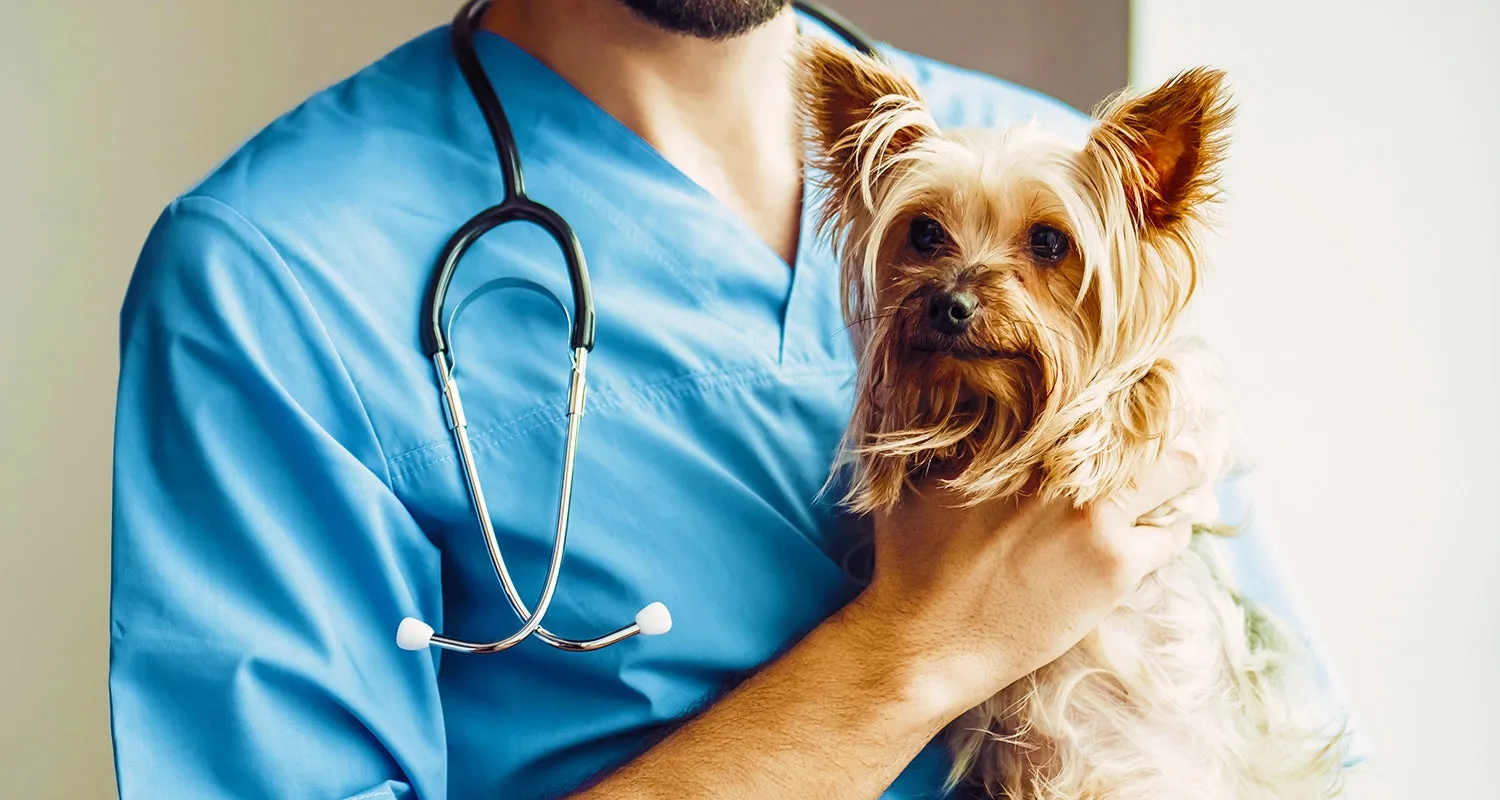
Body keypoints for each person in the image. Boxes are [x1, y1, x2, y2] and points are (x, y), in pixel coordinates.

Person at [107, 2, 1348, 798]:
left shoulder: (1057, 171)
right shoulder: (272, 275)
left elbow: (1294, 745)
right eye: (925, 245)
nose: (973, 278)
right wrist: (916, 648)